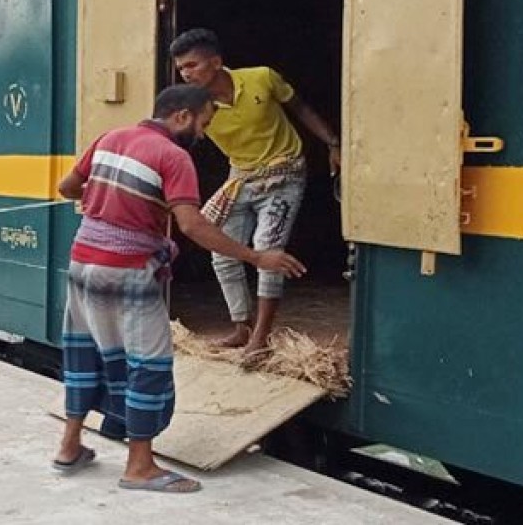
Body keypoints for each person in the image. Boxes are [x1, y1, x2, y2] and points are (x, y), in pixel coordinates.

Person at [52, 84, 305, 492]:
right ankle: (140, 468)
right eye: (204, 122)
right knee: (147, 366)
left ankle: (69, 447)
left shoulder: (109, 138)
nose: (203, 133)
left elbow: (66, 188)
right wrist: (257, 257)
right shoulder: (173, 156)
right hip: (129, 270)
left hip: (83, 263)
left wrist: (107, 199)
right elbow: (192, 225)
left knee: (86, 353)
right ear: (182, 116)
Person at [170, 28, 340, 357]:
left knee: (266, 249)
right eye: (181, 68)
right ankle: (242, 328)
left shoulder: (262, 78)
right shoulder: (193, 107)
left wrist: (332, 143)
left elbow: (300, 108)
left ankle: (261, 337)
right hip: (241, 177)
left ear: (216, 62)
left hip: (284, 173)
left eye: (192, 65)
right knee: (221, 251)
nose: (185, 74)